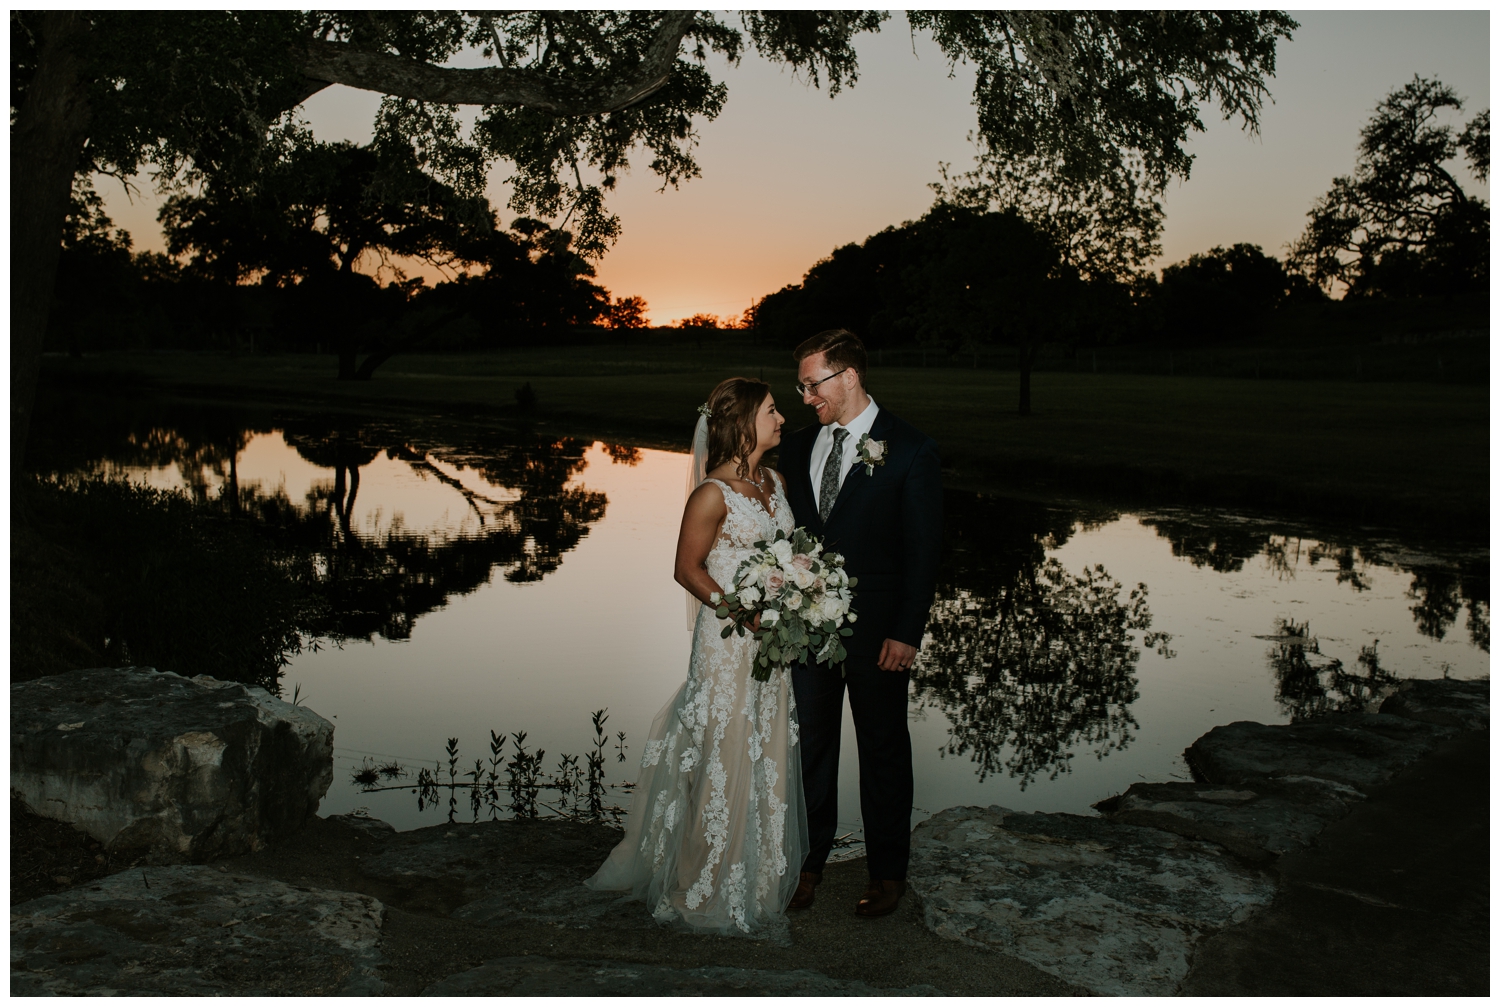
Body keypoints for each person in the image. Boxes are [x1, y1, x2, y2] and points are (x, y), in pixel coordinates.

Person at [585, 377, 809, 936]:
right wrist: (743, 611)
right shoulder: (712, 492)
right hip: (728, 642)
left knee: (765, 745)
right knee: (724, 749)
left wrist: (802, 594)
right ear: (742, 423)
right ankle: (698, 883)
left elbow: (788, 558)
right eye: (772, 410)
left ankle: (755, 879)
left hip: (771, 648)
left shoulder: (775, 484)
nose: (782, 418)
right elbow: (687, 569)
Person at [775, 329, 943, 918]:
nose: (805, 397)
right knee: (810, 748)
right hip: (805, 630)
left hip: (879, 635)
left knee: (884, 749)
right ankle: (808, 864)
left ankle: (888, 873)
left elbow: (923, 553)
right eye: (800, 386)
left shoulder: (911, 449)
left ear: (848, 376)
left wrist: (907, 631)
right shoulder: (796, 449)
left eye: (812, 383)